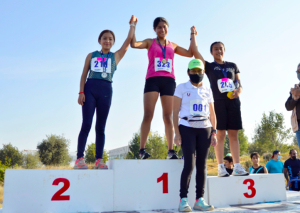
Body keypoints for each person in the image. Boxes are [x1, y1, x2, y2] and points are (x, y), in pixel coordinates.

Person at [74, 16, 137, 169]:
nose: (107, 41)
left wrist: (132, 25)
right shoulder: (91, 55)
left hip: (106, 91)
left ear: (113, 42)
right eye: (104, 38)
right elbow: (83, 75)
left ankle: (99, 160)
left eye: (110, 39)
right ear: (99, 40)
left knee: (100, 127)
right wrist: (81, 92)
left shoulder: (115, 56)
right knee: (86, 124)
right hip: (90, 89)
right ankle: (79, 159)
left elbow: (129, 41)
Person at [130, 17, 193, 159]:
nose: (162, 29)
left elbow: (190, 53)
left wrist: (192, 36)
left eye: (164, 27)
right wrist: (133, 25)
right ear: (154, 29)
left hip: (169, 81)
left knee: (168, 117)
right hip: (152, 80)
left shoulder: (173, 45)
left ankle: (170, 151)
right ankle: (142, 150)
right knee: (148, 115)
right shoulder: (149, 42)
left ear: (168, 29)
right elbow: (133, 44)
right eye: (159, 27)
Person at [190, 26, 248, 177]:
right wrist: (193, 35)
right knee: (220, 134)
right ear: (211, 52)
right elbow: (195, 51)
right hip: (218, 103)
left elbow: (239, 83)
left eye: (221, 48)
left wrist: (238, 91)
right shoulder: (209, 66)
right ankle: (221, 167)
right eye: (215, 49)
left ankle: (237, 166)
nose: (218, 51)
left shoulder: (233, 66)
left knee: (234, 135)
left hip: (234, 102)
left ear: (224, 50)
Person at [173, 58, 216, 211]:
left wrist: (214, 132)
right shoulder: (181, 87)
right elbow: (175, 111)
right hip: (187, 127)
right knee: (189, 165)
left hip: (205, 128)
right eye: (193, 71)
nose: (196, 73)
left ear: (203, 72)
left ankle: (200, 199)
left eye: (199, 71)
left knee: (202, 165)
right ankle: (183, 200)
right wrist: (176, 133)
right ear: (188, 72)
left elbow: (212, 112)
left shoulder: (207, 89)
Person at [285, 63, 300, 148]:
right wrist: (295, 98)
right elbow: (288, 106)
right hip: (299, 125)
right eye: (298, 71)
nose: (299, 73)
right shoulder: (294, 90)